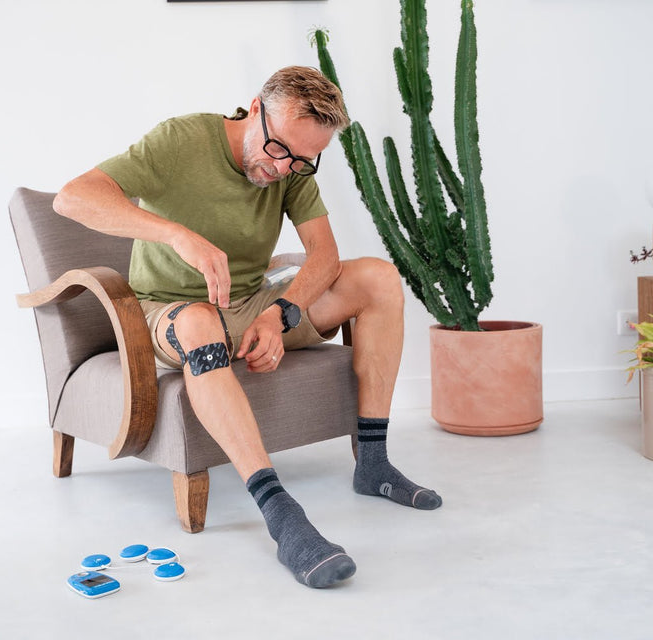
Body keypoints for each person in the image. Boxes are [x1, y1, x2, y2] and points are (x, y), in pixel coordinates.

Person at [53, 66, 442, 589]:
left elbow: (324, 258)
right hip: (169, 311)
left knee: (376, 277)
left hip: (254, 304)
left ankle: (373, 463)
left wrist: (279, 316)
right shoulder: (180, 140)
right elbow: (72, 197)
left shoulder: (294, 168)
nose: (284, 169)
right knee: (197, 321)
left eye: (303, 160)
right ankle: (281, 513)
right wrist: (175, 236)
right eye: (279, 149)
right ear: (254, 108)